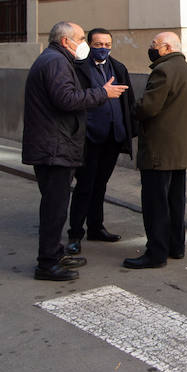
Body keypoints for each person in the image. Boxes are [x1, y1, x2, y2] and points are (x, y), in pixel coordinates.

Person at [23, 22, 129, 281]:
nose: (83, 43)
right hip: (54, 147)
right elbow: (66, 99)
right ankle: (47, 264)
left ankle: (56, 254)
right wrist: (102, 93)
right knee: (54, 208)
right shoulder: (56, 62)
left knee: (57, 205)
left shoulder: (53, 59)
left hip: (55, 145)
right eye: (81, 38)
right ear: (65, 41)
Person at [124, 32, 187, 269]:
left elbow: (148, 107)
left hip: (159, 149)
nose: (151, 48)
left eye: (154, 45)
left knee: (156, 203)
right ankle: (176, 246)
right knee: (175, 201)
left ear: (166, 48)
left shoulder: (163, 70)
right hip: (180, 149)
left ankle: (156, 253)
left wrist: (133, 106)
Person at [66, 28, 135, 254]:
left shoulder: (118, 67)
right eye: (98, 44)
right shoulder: (79, 69)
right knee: (84, 186)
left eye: (107, 44)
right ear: (89, 44)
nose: (103, 48)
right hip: (89, 139)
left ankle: (96, 227)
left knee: (101, 184)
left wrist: (128, 130)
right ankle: (75, 234)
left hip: (113, 138)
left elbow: (128, 101)